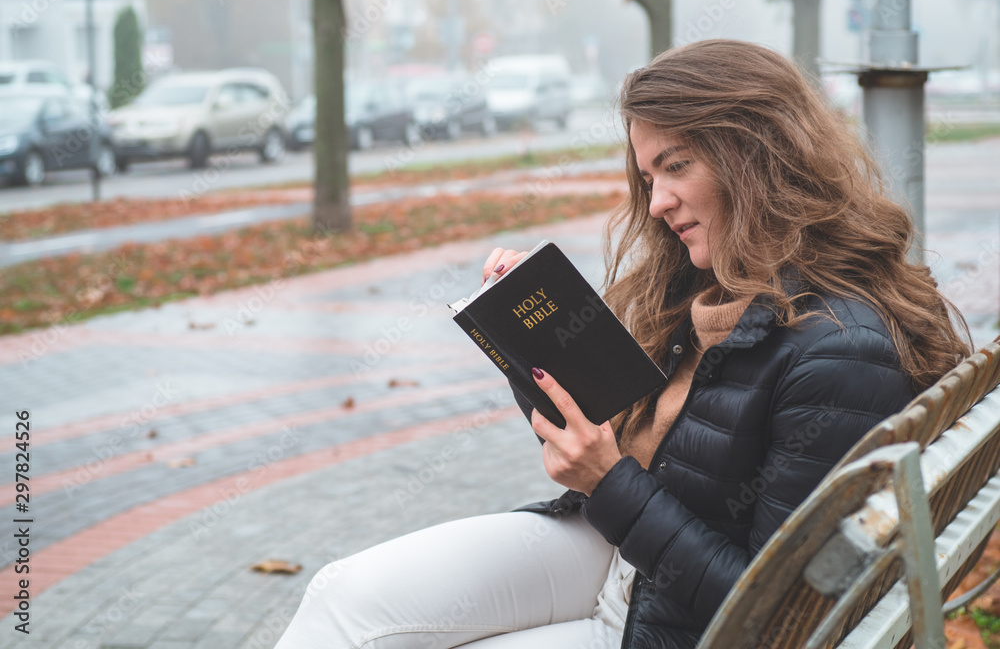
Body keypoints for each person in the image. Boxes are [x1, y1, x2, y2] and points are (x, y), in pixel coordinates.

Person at [274, 39, 970, 649]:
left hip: (671, 613)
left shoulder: (840, 354)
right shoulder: (718, 290)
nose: (658, 201)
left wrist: (608, 483)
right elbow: (607, 442)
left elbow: (775, 608)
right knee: (342, 598)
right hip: (619, 554)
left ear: (757, 155)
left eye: (677, 166)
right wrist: (527, 338)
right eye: (648, 178)